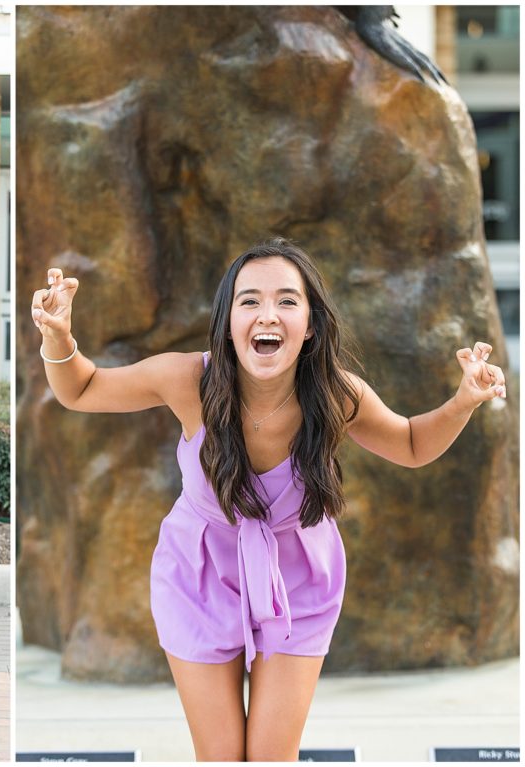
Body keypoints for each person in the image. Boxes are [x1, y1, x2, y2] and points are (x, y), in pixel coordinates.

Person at [30, 237, 506, 762]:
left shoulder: (337, 395)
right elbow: (82, 389)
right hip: (198, 576)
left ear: (311, 323)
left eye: (286, 300)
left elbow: (413, 443)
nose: (267, 314)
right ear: (227, 319)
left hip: (298, 578)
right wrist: (59, 336)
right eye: (250, 300)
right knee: (222, 757)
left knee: (271, 758)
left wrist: (464, 402)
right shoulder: (188, 380)